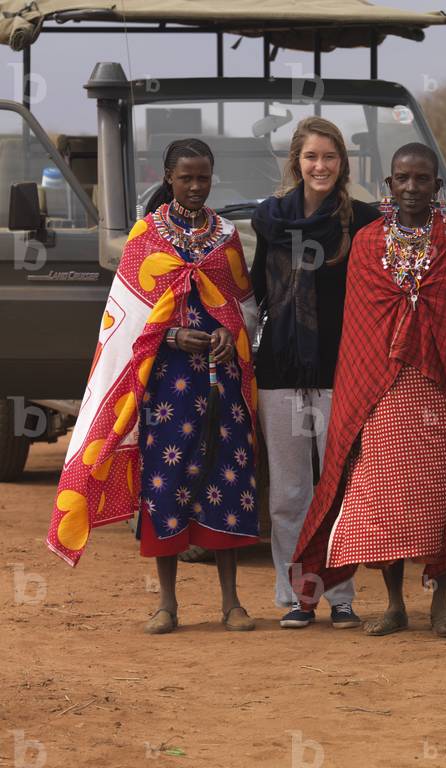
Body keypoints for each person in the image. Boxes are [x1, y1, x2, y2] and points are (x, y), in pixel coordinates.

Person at [47, 138, 260, 634]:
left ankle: (232, 604)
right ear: (168, 177)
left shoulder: (226, 237)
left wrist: (230, 332)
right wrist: (169, 334)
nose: (194, 185)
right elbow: (122, 320)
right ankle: (168, 603)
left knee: (226, 481)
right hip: (166, 386)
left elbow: (245, 304)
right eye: (185, 177)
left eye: (203, 177)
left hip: (220, 384)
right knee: (165, 487)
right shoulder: (146, 236)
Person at [290, 143, 446, 637]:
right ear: (388, 185)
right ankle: (396, 604)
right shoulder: (368, 240)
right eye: (402, 178)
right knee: (385, 500)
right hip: (384, 391)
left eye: (422, 179)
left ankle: (441, 603)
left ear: (437, 187)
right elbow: (360, 325)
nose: (411, 188)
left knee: (441, 499)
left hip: (442, 388)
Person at [251, 117, 379, 630]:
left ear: (342, 163)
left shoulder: (365, 221)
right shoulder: (271, 219)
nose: (320, 166)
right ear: (297, 162)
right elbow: (259, 292)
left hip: (342, 371)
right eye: (311, 157)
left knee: (340, 488)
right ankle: (296, 596)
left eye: (329, 157)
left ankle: (341, 594)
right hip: (280, 370)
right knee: (287, 494)